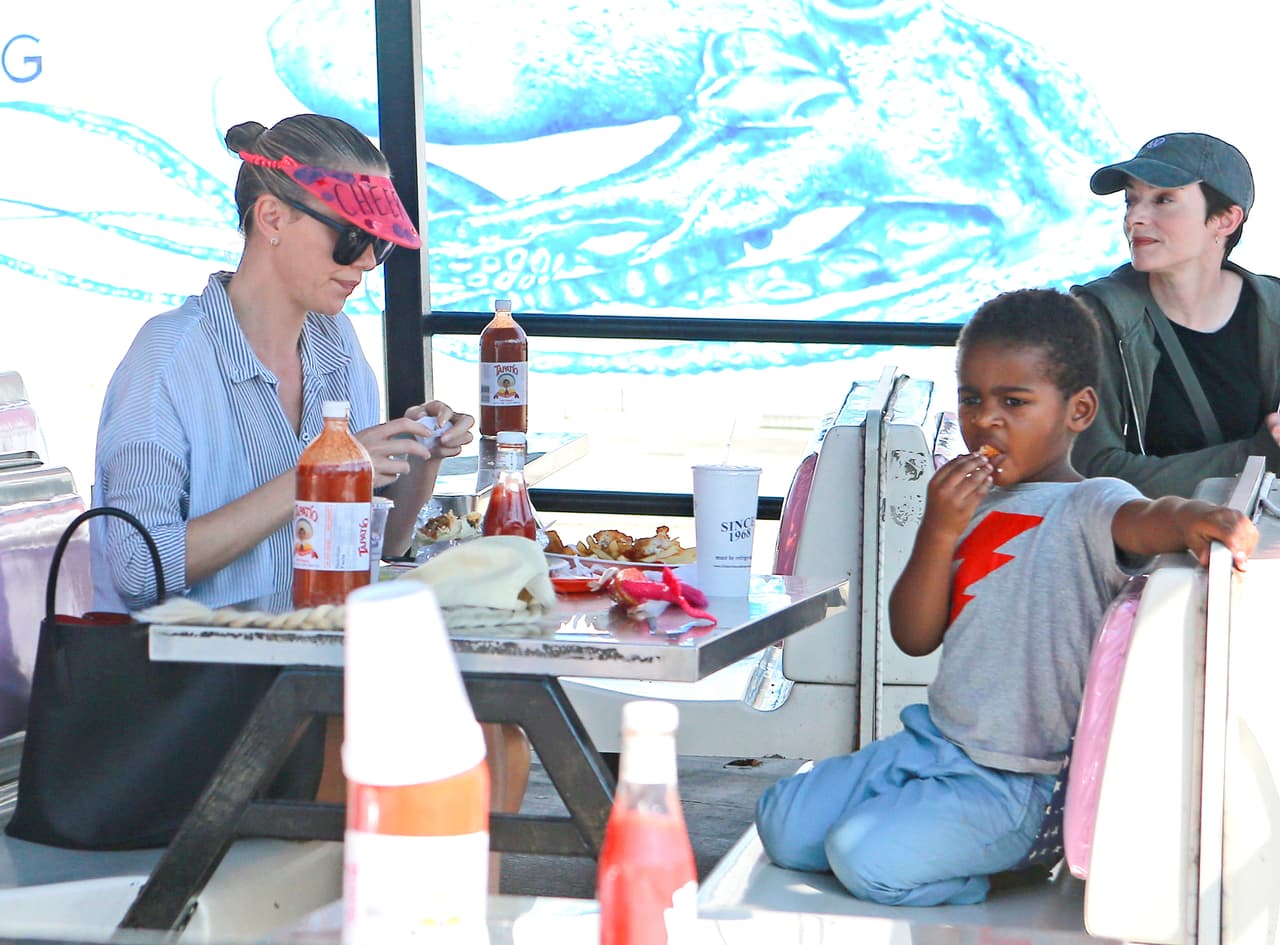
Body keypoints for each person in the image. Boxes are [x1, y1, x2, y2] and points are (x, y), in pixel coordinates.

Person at [754, 288, 1257, 906]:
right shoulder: (963, 507)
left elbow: (1149, 515)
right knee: (781, 822)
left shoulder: (1088, 502)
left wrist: (1195, 517)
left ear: (1078, 410)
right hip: (932, 743)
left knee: (862, 857)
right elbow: (912, 636)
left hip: (1021, 782)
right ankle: (927, 831)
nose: (986, 420)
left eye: (1014, 402)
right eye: (971, 398)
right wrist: (938, 529)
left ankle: (1005, 863)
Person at [92, 114, 471, 613]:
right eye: (352, 237)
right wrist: (311, 480)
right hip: (196, 679)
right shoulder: (168, 360)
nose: (364, 263)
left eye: (379, 243)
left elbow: (375, 549)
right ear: (271, 217)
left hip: (314, 666)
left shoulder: (335, 344)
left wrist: (424, 456)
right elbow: (139, 570)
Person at [1071, 132, 1280, 498]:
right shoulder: (1098, 317)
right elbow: (1094, 474)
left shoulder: (1273, 308)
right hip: (1145, 553)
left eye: (1163, 200)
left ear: (1225, 220)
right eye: (1130, 201)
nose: (1135, 217)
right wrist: (1257, 455)